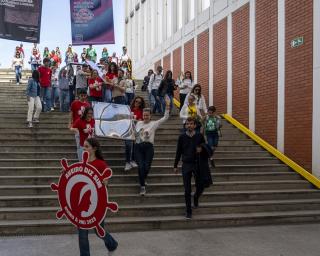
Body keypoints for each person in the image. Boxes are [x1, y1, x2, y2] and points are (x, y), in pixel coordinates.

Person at [77, 137, 118, 256]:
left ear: (94, 148)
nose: (84, 149)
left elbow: (106, 180)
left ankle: (112, 244)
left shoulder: (101, 164)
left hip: (97, 203)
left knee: (98, 230)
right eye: (83, 146)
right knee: (82, 233)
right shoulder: (82, 164)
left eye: (86, 146)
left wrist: (103, 180)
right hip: (82, 204)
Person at [134, 97, 170, 195]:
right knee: (141, 166)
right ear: (142, 115)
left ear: (150, 116)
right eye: (144, 115)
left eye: (147, 115)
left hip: (149, 147)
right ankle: (142, 186)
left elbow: (165, 118)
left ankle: (143, 178)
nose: (145, 117)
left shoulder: (154, 124)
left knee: (147, 167)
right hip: (138, 147)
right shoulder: (138, 123)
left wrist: (167, 106)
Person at [173, 117, 207, 219]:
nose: (189, 125)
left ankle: (196, 197)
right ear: (185, 125)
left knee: (201, 186)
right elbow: (178, 151)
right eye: (187, 124)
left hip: (197, 164)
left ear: (195, 125)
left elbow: (205, 148)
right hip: (186, 164)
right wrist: (175, 165)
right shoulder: (182, 137)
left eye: (191, 124)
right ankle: (188, 211)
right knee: (187, 189)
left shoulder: (199, 136)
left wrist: (202, 149)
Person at [124, 96, 145, 171]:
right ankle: (127, 162)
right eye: (136, 101)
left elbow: (143, 121)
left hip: (137, 130)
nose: (137, 103)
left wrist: (137, 121)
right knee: (128, 145)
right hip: (128, 130)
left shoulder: (141, 111)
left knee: (134, 146)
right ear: (134, 101)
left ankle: (132, 160)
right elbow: (124, 118)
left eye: (139, 102)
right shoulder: (129, 109)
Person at [69, 89, 91, 159]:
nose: (83, 97)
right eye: (82, 95)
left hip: (86, 128)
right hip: (77, 128)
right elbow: (71, 114)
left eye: (84, 95)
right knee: (79, 145)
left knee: (87, 145)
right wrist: (70, 124)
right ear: (79, 95)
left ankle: (86, 159)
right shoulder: (74, 103)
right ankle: (80, 161)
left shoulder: (88, 104)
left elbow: (90, 116)